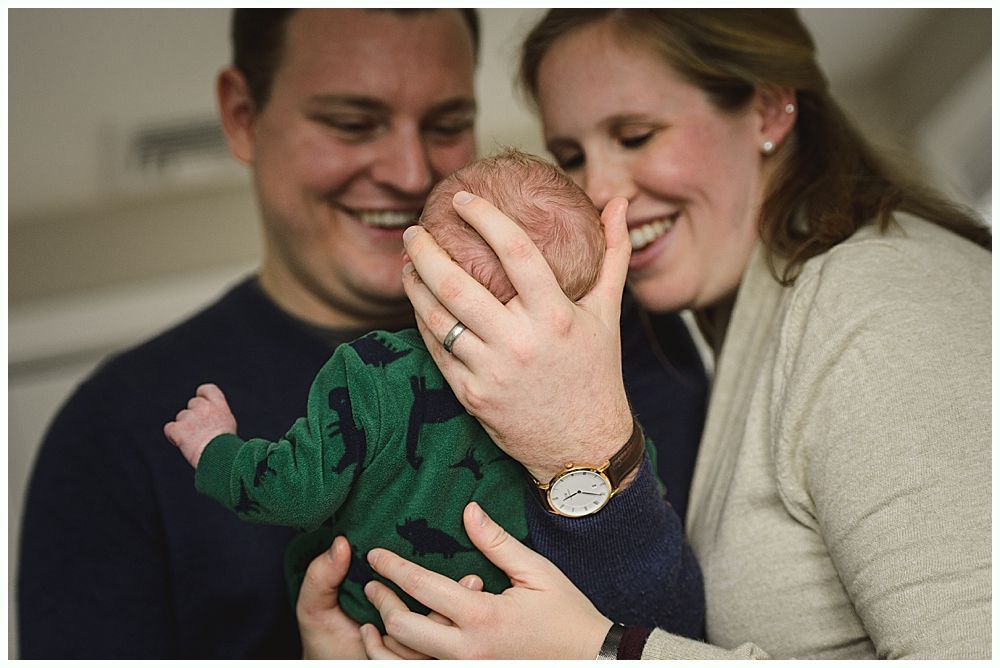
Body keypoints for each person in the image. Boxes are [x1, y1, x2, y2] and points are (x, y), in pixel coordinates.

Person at [298, 8, 991, 660]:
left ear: (769, 108)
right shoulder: (747, 324)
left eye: (635, 136)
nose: (602, 192)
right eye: (570, 156)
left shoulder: (873, 299)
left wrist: (599, 650)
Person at [17, 9, 708, 659]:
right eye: (352, 123)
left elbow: (693, 644)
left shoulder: (625, 352)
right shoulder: (115, 429)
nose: (410, 173)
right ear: (242, 116)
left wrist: (594, 452)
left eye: (446, 123)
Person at [162, 149, 704, 638]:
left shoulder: (369, 373)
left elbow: (294, 492)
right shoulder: (599, 404)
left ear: (419, 276)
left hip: (374, 631)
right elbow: (635, 524)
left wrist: (216, 449)